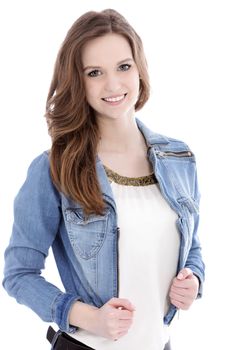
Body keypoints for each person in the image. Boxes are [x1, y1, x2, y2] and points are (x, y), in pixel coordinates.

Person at [3, 8, 205, 350]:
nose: (113, 84)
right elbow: (18, 275)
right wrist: (88, 317)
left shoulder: (178, 159)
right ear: (77, 81)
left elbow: (193, 246)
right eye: (95, 72)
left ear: (139, 68)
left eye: (123, 67)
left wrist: (194, 280)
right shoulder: (55, 168)